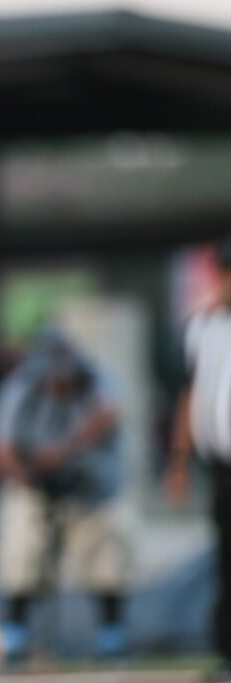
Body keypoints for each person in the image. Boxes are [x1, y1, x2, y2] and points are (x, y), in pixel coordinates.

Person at [0, 328, 129, 662]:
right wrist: (25, 476)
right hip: (35, 485)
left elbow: (108, 414)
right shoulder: (20, 387)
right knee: (20, 554)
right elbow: (0, 446)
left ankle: (111, 632)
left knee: (106, 560)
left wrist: (64, 450)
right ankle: (15, 632)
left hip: (92, 486)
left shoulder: (97, 379)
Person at [166, 234, 231, 682]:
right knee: (226, 561)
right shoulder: (203, 328)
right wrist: (178, 461)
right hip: (221, 466)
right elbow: (189, 398)